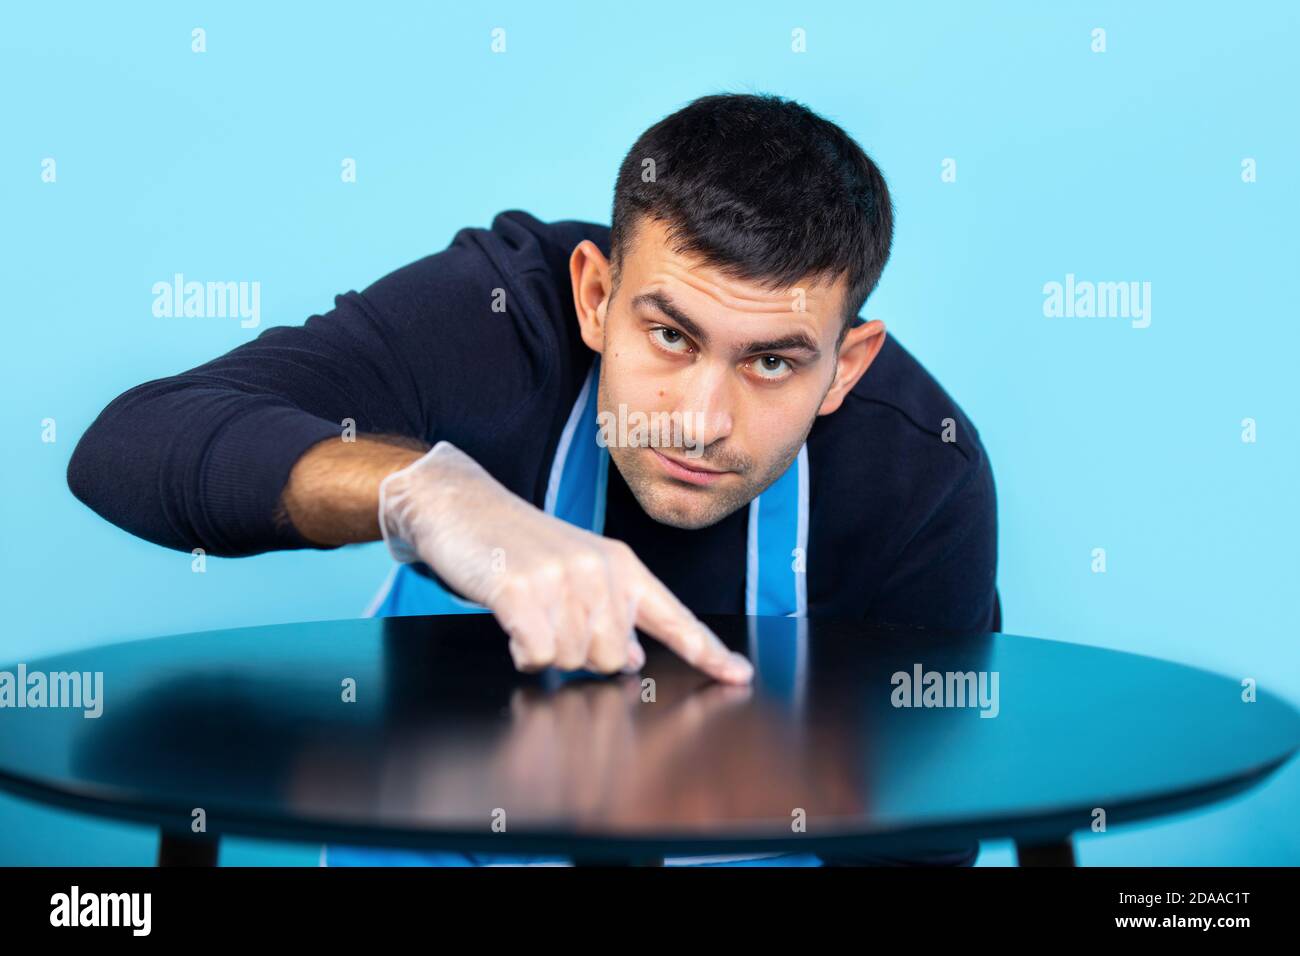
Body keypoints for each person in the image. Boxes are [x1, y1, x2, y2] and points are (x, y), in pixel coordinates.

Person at [68, 92, 998, 866]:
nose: (699, 421)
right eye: (669, 335)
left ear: (846, 366)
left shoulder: (923, 480)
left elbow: (920, 842)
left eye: (772, 365)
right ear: (595, 295)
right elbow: (130, 443)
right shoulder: (496, 318)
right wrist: (421, 496)